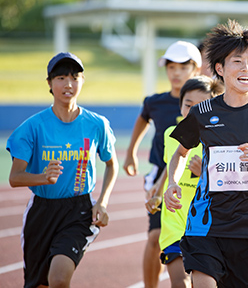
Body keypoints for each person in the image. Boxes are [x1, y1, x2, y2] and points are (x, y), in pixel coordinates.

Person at [164, 19, 248, 287]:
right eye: (237, 61)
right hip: (205, 224)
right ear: (220, 68)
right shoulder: (203, 113)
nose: (246, 68)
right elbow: (180, 153)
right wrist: (172, 182)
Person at [6, 52, 118, 288]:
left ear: (82, 81)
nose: (68, 84)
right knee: (39, 284)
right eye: (60, 78)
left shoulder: (96, 124)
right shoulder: (32, 127)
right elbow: (15, 178)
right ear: (49, 83)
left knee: (58, 278)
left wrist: (103, 202)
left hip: (78, 211)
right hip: (42, 212)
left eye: (74, 77)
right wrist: (43, 178)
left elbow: (111, 164)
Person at [123, 41, 201, 288]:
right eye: (171, 67)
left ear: (196, 69)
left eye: (183, 67)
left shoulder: (209, 100)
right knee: (156, 235)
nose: (176, 73)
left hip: (199, 178)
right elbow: (142, 120)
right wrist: (131, 152)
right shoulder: (155, 102)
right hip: (162, 172)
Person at [146, 76, 224, 288]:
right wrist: (157, 191)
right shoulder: (171, 134)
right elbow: (169, 163)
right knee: (180, 282)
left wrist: (204, 174)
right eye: (188, 105)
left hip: (206, 226)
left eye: (200, 106)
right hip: (175, 223)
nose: (192, 112)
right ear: (180, 105)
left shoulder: (219, 140)